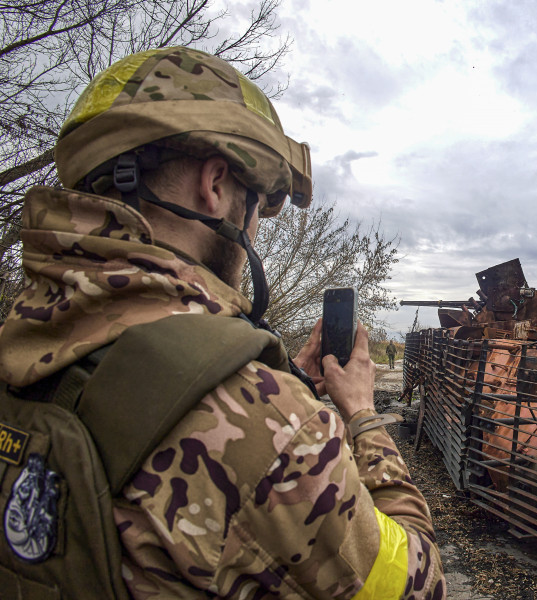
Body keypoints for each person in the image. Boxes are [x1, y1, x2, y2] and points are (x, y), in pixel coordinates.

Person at [0, 47, 444, 598]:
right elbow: (417, 584)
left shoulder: (21, 336)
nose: (253, 234)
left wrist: (294, 388)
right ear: (214, 184)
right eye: (256, 206)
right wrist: (361, 415)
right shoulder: (269, 424)